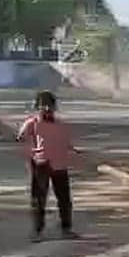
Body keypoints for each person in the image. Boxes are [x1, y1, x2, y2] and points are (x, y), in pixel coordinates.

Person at [16, 90, 82, 242]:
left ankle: (66, 229)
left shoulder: (60, 125)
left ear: (54, 107)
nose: (46, 109)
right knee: (39, 199)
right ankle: (37, 231)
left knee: (64, 199)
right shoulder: (32, 123)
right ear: (37, 107)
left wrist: (76, 152)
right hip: (41, 165)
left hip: (60, 165)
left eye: (49, 105)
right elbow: (20, 139)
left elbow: (67, 143)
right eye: (43, 106)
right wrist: (31, 153)